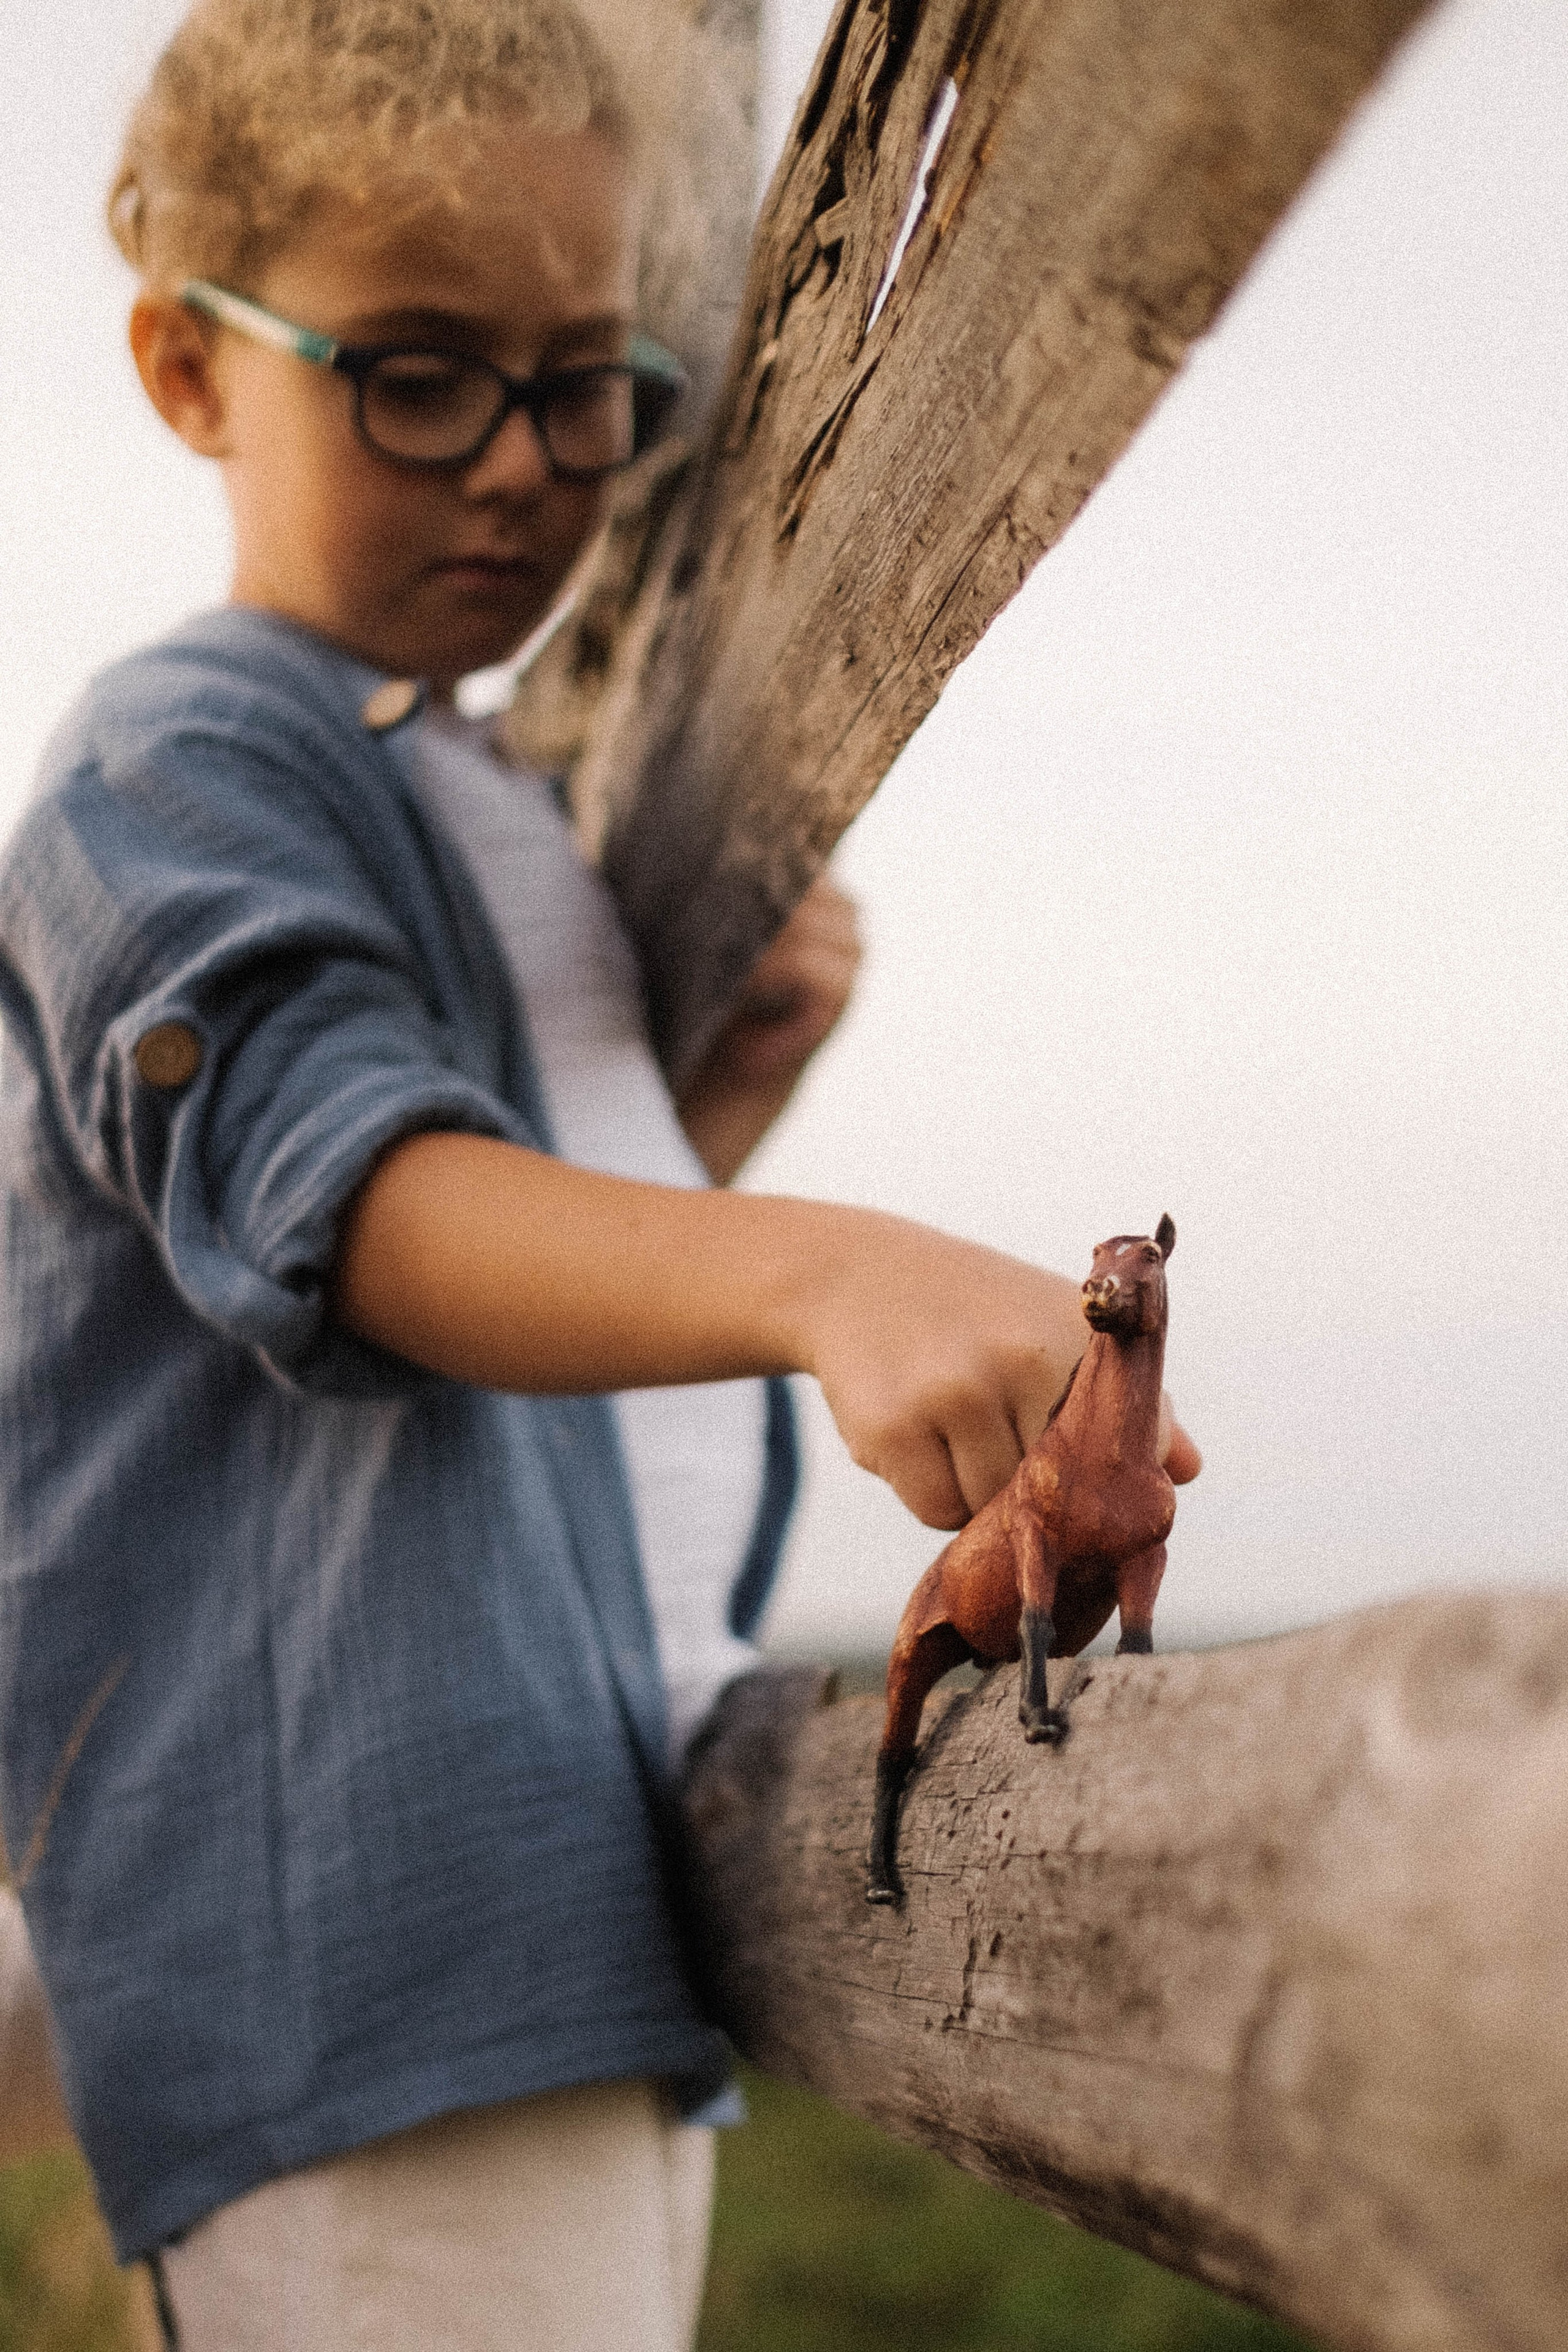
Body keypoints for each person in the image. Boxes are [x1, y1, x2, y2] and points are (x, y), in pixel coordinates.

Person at [0, 1, 1200, 2345]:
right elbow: (347, 1203)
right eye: (419, 371)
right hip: (367, 1953)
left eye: (593, 381)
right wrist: (815, 1265)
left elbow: (471, 1319)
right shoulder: (173, 767)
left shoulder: (463, 790)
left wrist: (704, 1116)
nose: (528, 467)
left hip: (532, 1921)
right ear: (183, 365)